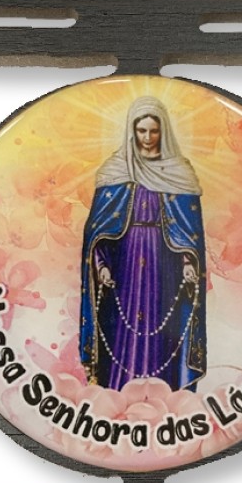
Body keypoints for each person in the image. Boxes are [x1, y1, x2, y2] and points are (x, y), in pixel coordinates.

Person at [80, 96, 206, 391]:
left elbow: (188, 232)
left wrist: (188, 262)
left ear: (163, 131)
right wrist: (102, 265)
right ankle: (118, 388)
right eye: (141, 131)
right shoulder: (115, 171)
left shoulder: (179, 173)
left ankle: (166, 390)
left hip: (165, 264)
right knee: (122, 327)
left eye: (153, 131)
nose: (147, 137)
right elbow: (98, 230)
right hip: (125, 265)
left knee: (163, 327)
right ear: (131, 131)